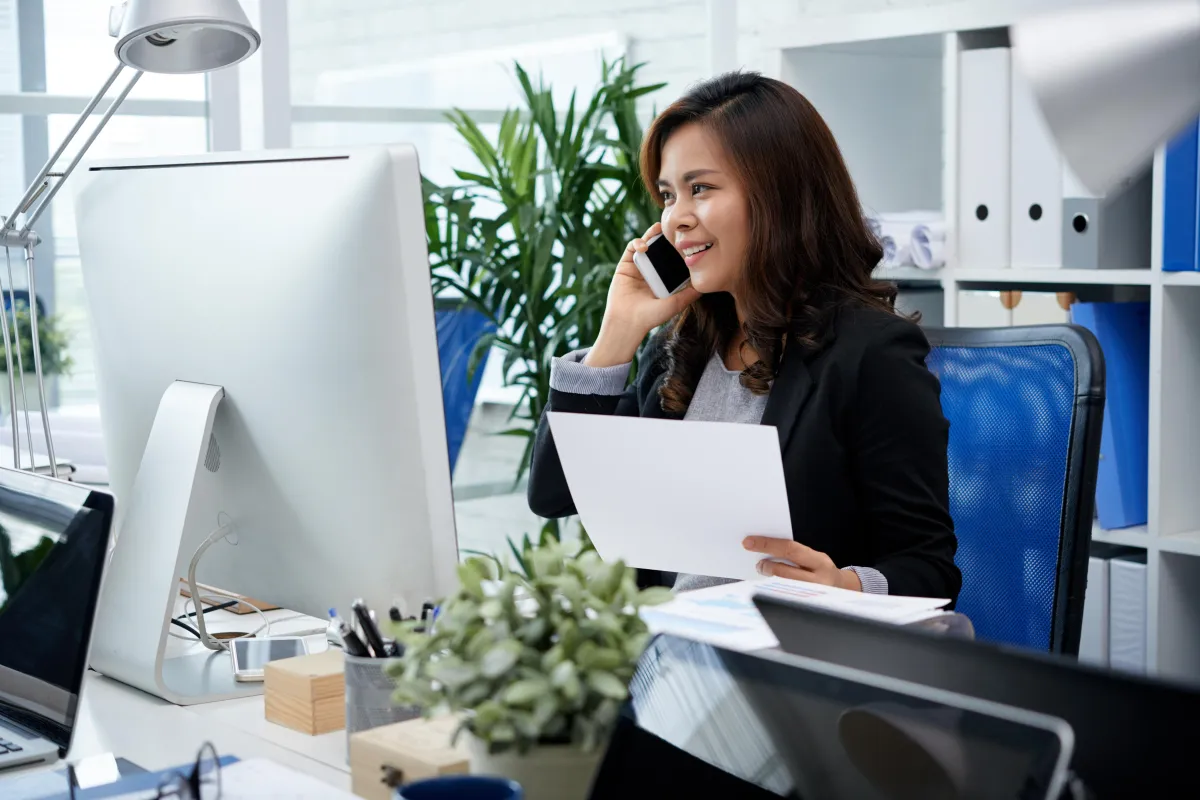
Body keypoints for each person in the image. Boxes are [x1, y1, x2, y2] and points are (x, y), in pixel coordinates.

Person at [526, 71, 960, 602]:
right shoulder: (679, 350)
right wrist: (618, 332)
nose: (675, 220)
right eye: (668, 195)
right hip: (663, 653)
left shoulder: (871, 351)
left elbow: (928, 567)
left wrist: (844, 586)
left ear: (779, 195)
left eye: (700, 189)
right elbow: (555, 494)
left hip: (781, 660)